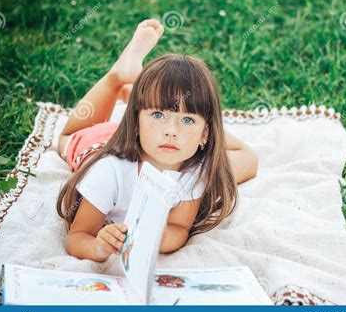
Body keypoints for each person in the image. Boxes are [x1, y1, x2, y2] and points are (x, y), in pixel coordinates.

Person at [56, 19, 259, 262]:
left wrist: (157, 235)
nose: (171, 132)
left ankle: (150, 101)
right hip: (97, 145)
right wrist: (98, 248)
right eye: (159, 114)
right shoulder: (108, 172)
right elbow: (78, 236)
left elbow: (178, 228)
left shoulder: (195, 172)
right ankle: (117, 77)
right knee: (67, 138)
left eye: (187, 120)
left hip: (156, 135)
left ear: (205, 133)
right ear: (135, 120)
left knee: (247, 158)